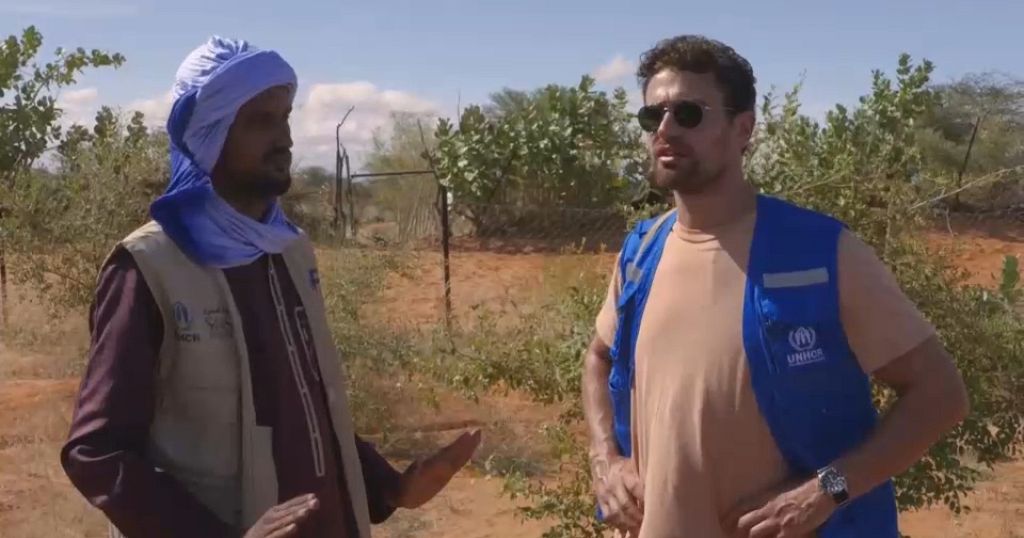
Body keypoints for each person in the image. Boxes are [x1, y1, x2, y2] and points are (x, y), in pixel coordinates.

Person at [60, 36, 481, 538]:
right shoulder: (149, 266)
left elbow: (304, 406)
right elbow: (97, 453)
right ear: (208, 134)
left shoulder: (288, 250)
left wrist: (389, 488)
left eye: (285, 117)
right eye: (261, 121)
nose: (284, 139)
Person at [581, 34, 969, 538]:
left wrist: (825, 490)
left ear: (744, 128)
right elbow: (598, 358)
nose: (666, 129)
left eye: (689, 113)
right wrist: (604, 459)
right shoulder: (641, 252)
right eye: (652, 117)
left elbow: (940, 395)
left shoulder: (822, 254)